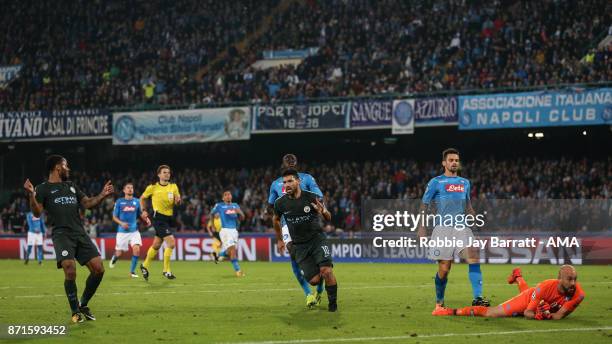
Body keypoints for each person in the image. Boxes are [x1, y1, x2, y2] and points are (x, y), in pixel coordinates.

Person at [23, 155, 113, 323]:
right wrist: (31, 195)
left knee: (99, 269)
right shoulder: (42, 189)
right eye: (66, 166)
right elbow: (37, 212)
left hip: (79, 233)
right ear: (58, 167)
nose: (68, 169)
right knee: (70, 269)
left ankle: (83, 304)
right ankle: (74, 312)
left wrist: (102, 195)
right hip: (61, 234)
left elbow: (87, 203)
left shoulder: (71, 186)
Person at [418, 148, 489, 315]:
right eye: (451, 160)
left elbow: (468, 206)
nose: (454, 162)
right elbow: (424, 205)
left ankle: (478, 297)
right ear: (444, 163)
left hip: (461, 227)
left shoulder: (465, 183)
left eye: (456, 160)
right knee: (444, 268)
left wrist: (475, 218)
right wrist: (421, 227)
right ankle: (439, 301)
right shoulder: (435, 182)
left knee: (473, 256)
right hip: (442, 228)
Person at [273, 169, 338, 312]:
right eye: (284, 182)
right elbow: (275, 220)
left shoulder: (312, 197)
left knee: (327, 271)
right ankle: (318, 281)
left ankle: (333, 305)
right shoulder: (280, 203)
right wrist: (279, 239)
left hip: (317, 240)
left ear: (298, 181)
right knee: (314, 280)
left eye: (290, 181)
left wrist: (324, 212)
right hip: (300, 245)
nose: (287, 185)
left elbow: (329, 217)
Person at [268, 154, 324, 308]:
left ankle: (320, 287)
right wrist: (278, 237)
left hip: (308, 224)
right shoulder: (275, 184)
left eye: (293, 161)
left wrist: (314, 205)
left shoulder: (306, 179)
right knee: (294, 258)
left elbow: (319, 196)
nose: (290, 163)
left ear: (297, 164)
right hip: (288, 227)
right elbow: (271, 207)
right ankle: (308, 294)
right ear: (283, 164)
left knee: (318, 260)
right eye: (288, 161)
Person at [435, 265, 585, 320]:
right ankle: (448, 311)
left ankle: (518, 276)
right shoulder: (544, 287)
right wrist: (538, 315)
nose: (573, 283)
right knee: (491, 313)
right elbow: (527, 313)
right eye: (569, 279)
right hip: (529, 299)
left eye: (575, 279)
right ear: (559, 279)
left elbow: (559, 316)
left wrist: (546, 314)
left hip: (535, 296)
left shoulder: (578, 294)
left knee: (530, 293)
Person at [139, 165, 181, 280]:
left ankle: (144, 265)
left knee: (157, 245)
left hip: (169, 219)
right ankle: (166, 271)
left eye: (168, 172)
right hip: (159, 219)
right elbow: (142, 198)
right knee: (171, 243)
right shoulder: (152, 187)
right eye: (164, 172)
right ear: (159, 175)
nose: (167, 174)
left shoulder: (174, 187)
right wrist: (143, 210)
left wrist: (178, 201)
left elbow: (178, 201)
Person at [110, 182, 150, 277]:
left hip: (134, 231)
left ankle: (131, 272)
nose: (130, 189)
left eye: (131, 188)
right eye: (128, 188)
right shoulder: (119, 202)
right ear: (124, 190)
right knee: (119, 253)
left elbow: (141, 214)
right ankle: (115, 257)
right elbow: (114, 217)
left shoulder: (136, 201)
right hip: (122, 232)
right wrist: (122, 223)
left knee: (136, 250)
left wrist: (146, 218)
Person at [210, 191, 245, 276]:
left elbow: (243, 218)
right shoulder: (219, 205)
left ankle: (217, 256)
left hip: (234, 231)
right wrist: (213, 225)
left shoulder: (235, 205)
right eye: (226, 195)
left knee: (230, 251)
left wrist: (239, 212)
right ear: (223, 198)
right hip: (225, 231)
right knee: (232, 251)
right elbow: (211, 214)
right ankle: (238, 271)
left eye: (229, 194)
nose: (228, 196)